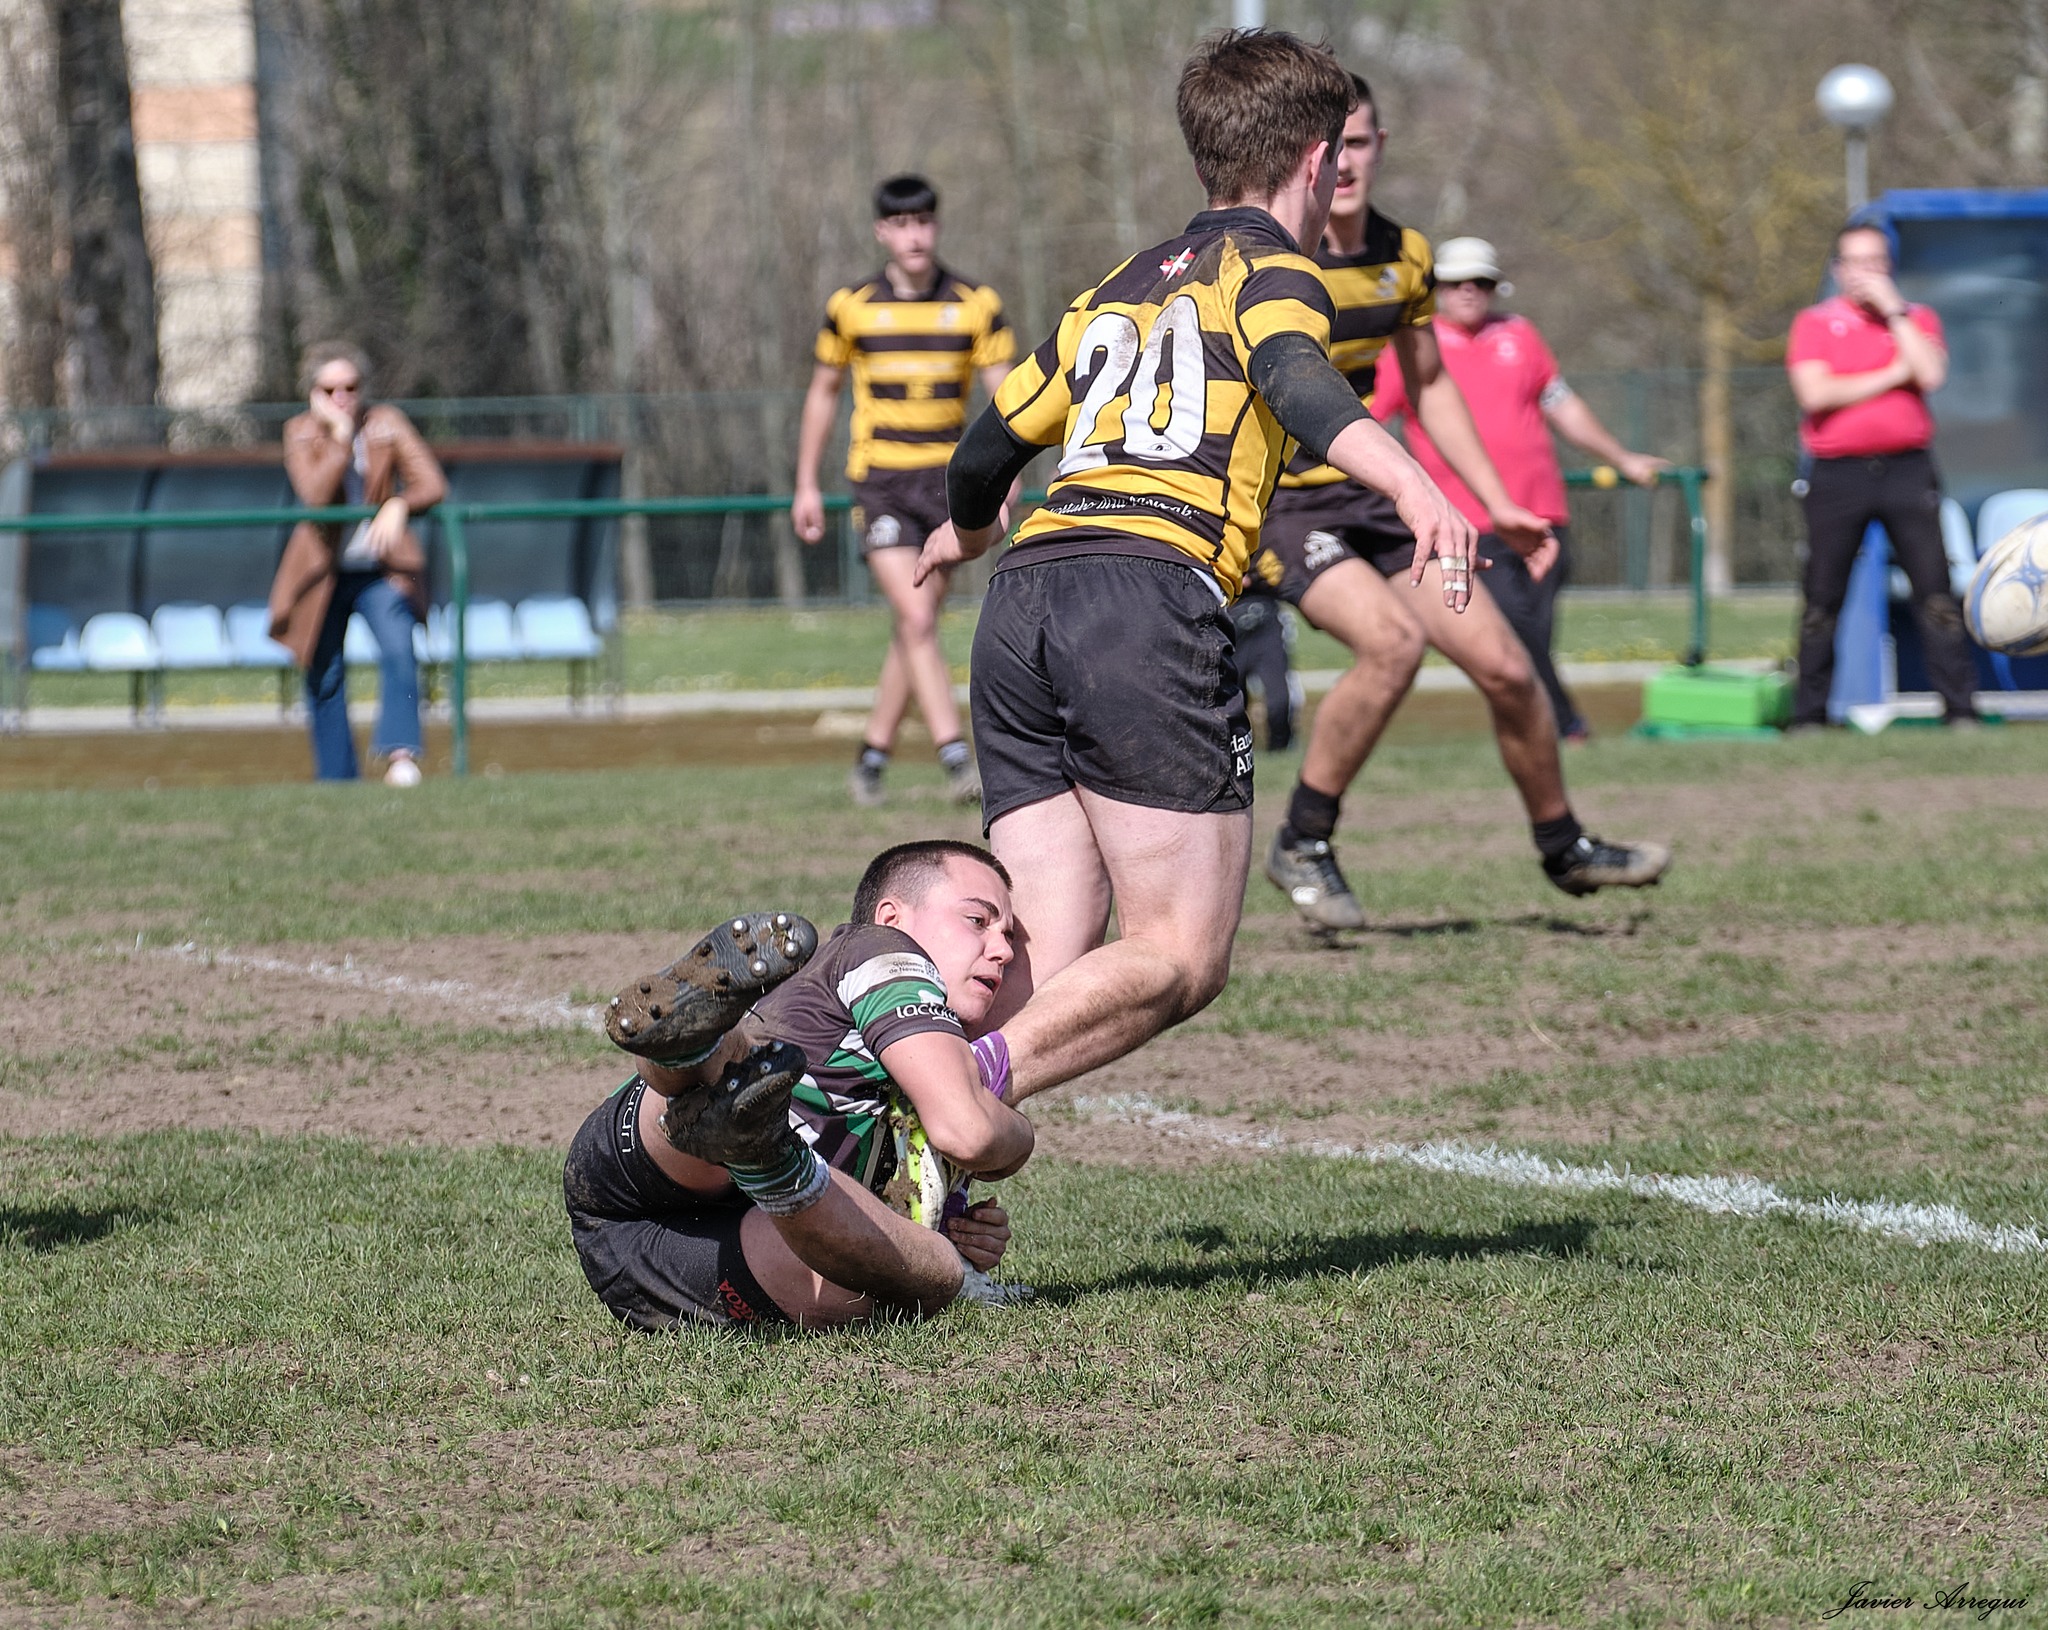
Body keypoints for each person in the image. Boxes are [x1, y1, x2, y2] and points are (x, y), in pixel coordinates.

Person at [916, 29, 1475, 1104]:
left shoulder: (1115, 286)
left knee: (1033, 955)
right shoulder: (1273, 270)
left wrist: (974, 530)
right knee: (1178, 954)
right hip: (1143, 598)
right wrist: (1412, 483)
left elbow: (988, 444)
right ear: (1315, 159)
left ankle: (850, 1117)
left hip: (1023, 599)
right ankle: (946, 1090)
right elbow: (1296, 377)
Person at [1255, 90, 1671, 931]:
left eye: (1358, 141)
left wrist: (1496, 502)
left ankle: (1564, 846)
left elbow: (1432, 387)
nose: (1343, 159)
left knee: (1511, 672)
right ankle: (1303, 840)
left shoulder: (1405, 255)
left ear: (1376, 147)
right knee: (1393, 646)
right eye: (1327, 145)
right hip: (1279, 509)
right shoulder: (1262, 258)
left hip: (1372, 499)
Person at [565, 841, 1033, 1330]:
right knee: (735, 1093)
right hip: (676, 1171)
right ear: (892, 917)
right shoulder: (883, 948)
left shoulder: (940, 1044)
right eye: (978, 921)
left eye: (1007, 935)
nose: (1001, 950)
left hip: (653, 1243)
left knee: (923, 1273)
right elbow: (969, 1131)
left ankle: (696, 1062)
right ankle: (715, 1077)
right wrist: (1021, 1136)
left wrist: (951, 1231)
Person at [1371, 237, 1670, 742]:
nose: (1469, 291)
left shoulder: (1522, 335)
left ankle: (1533, 730)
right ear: (1435, 288)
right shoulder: (1412, 346)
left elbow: (1563, 405)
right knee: (1513, 635)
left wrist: (1621, 457)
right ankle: (1567, 724)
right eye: (1455, 282)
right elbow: (1370, 423)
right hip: (1468, 526)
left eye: (1481, 282)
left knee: (1534, 636)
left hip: (1542, 517)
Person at [792, 175, 1017, 808]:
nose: (915, 235)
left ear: (936, 226)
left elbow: (1009, 401)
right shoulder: (852, 306)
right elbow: (823, 393)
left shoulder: (976, 303)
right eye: (902, 224)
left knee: (910, 628)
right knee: (918, 617)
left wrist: (1006, 478)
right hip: (881, 484)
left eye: (925, 221)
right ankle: (955, 758)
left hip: (949, 485)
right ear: (881, 232)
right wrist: (806, 482)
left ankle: (869, 760)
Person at [1785, 224, 1976, 729]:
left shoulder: (1917, 319)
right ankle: (1808, 716)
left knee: (1935, 593)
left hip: (1908, 471)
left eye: (1875, 262)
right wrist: (1894, 375)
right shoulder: (1815, 323)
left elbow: (1931, 374)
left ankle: (1960, 710)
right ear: (1838, 270)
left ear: (1888, 267)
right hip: (1836, 474)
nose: (1865, 273)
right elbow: (1816, 394)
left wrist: (1896, 314)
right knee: (1822, 598)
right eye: (1855, 262)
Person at [267, 342, 446, 785]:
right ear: (313, 393)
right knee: (323, 673)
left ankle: (401, 754)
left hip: (379, 570)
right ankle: (337, 777)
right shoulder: (300, 432)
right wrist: (341, 438)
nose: (342, 397)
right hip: (322, 575)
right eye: (330, 389)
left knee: (399, 646)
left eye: (351, 387)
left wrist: (399, 503)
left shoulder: (387, 424)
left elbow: (431, 483)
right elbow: (315, 497)